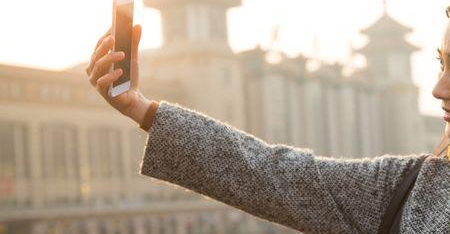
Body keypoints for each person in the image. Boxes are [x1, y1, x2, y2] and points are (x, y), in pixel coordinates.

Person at [85, 19, 450, 233]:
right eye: (441, 64)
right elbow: (268, 174)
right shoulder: (410, 187)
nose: (438, 89)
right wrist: (142, 109)